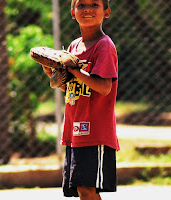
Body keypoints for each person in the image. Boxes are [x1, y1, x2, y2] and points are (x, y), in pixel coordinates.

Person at [43, 0, 120, 199]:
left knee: (87, 190)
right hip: (75, 131)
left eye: (95, 4)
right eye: (81, 5)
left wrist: (74, 70)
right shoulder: (73, 47)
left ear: (106, 12)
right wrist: (51, 74)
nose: (87, 9)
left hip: (95, 131)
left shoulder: (104, 46)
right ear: (72, 12)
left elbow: (104, 87)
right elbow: (72, 88)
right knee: (82, 191)